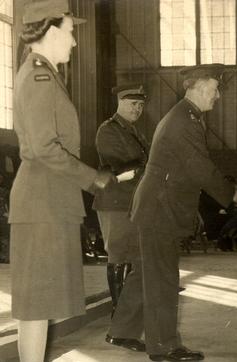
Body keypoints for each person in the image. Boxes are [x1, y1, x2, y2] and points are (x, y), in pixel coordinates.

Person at [108, 64, 237, 362]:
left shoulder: (186, 116)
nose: (218, 95)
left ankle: (122, 330)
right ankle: (164, 346)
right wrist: (231, 194)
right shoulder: (185, 121)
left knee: (147, 270)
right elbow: (201, 168)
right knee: (163, 278)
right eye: (214, 88)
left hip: (157, 204)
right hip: (160, 208)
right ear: (196, 87)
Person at [8, 1, 115, 361]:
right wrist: (93, 178)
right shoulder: (39, 76)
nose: (74, 41)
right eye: (70, 32)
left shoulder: (44, 74)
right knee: (37, 305)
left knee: (40, 305)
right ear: (51, 30)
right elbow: (42, 148)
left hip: (47, 202)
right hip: (42, 204)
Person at [93, 84, 149, 318]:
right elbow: (118, 164)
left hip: (131, 200)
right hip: (114, 201)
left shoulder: (133, 131)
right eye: (133, 104)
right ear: (121, 103)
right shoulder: (108, 130)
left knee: (130, 254)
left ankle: (126, 309)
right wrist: (146, 167)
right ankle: (119, 312)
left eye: (141, 105)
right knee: (117, 254)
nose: (137, 109)